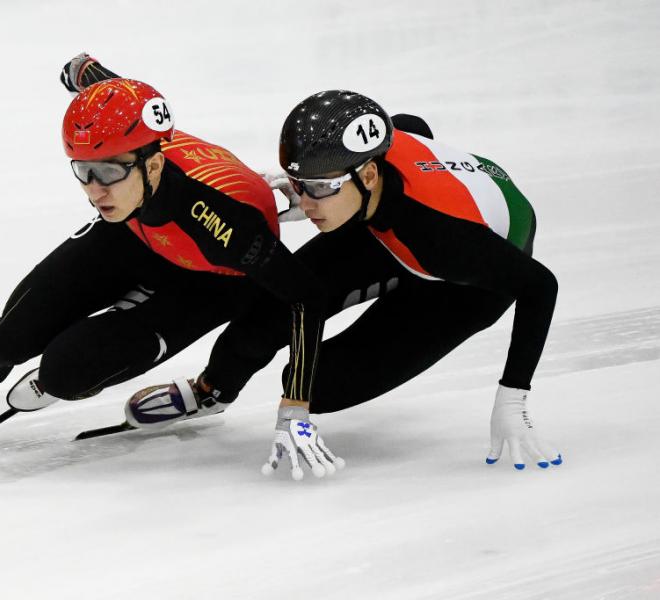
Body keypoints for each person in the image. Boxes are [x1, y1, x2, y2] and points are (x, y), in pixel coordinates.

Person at [0, 54, 326, 444]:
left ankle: (97, 377)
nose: (94, 190)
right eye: (82, 172)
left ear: (153, 162)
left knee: (66, 371)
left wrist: (268, 397)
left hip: (209, 279)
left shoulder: (224, 225)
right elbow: (112, 90)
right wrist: (83, 69)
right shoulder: (128, 167)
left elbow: (304, 297)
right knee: (12, 337)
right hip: (134, 231)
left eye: (106, 173)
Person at [128, 90, 561, 480]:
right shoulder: (367, 165)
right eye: (300, 185)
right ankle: (212, 391)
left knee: (320, 386)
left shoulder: (441, 238)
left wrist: (513, 395)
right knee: (274, 305)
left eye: (319, 188)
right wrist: (316, 191)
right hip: (383, 223)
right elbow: (409, 126)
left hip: (464, 288)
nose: (306, 201)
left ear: (369, 175)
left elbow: (541, 285)